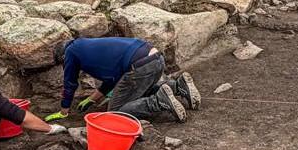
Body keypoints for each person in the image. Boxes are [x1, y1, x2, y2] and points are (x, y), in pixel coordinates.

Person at [55, 37, 200, 123]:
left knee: (115, 112)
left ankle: (157, 102)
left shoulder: (70, 52)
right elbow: (112, 80)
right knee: (139, 90)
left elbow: (70, 84)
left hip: (140, 66)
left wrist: (63, 111)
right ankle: (178, 86)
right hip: (155, 59)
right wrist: (92, 99)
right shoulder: (87, 46)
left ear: (62, 57)